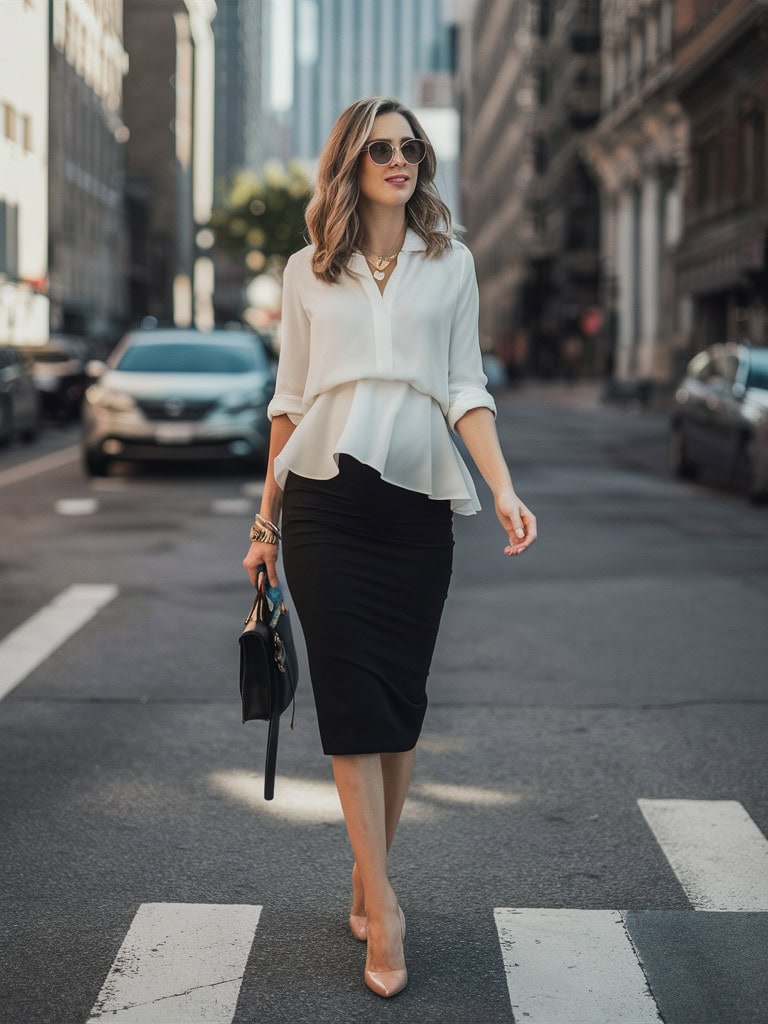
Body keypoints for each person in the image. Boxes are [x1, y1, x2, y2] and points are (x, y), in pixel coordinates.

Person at [243, 96, 537, 999]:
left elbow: (463, 385)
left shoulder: (451, 264)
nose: (400, 160)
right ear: (350, 162)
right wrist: (265, 523)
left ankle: (368, 875)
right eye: (381, 149)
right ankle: (388, 906)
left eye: (411, 147)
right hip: (325, 499)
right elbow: (289, 400)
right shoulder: (306, 270)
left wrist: (502, 485)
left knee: (399, 701)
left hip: (416, 502)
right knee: (349, 699)